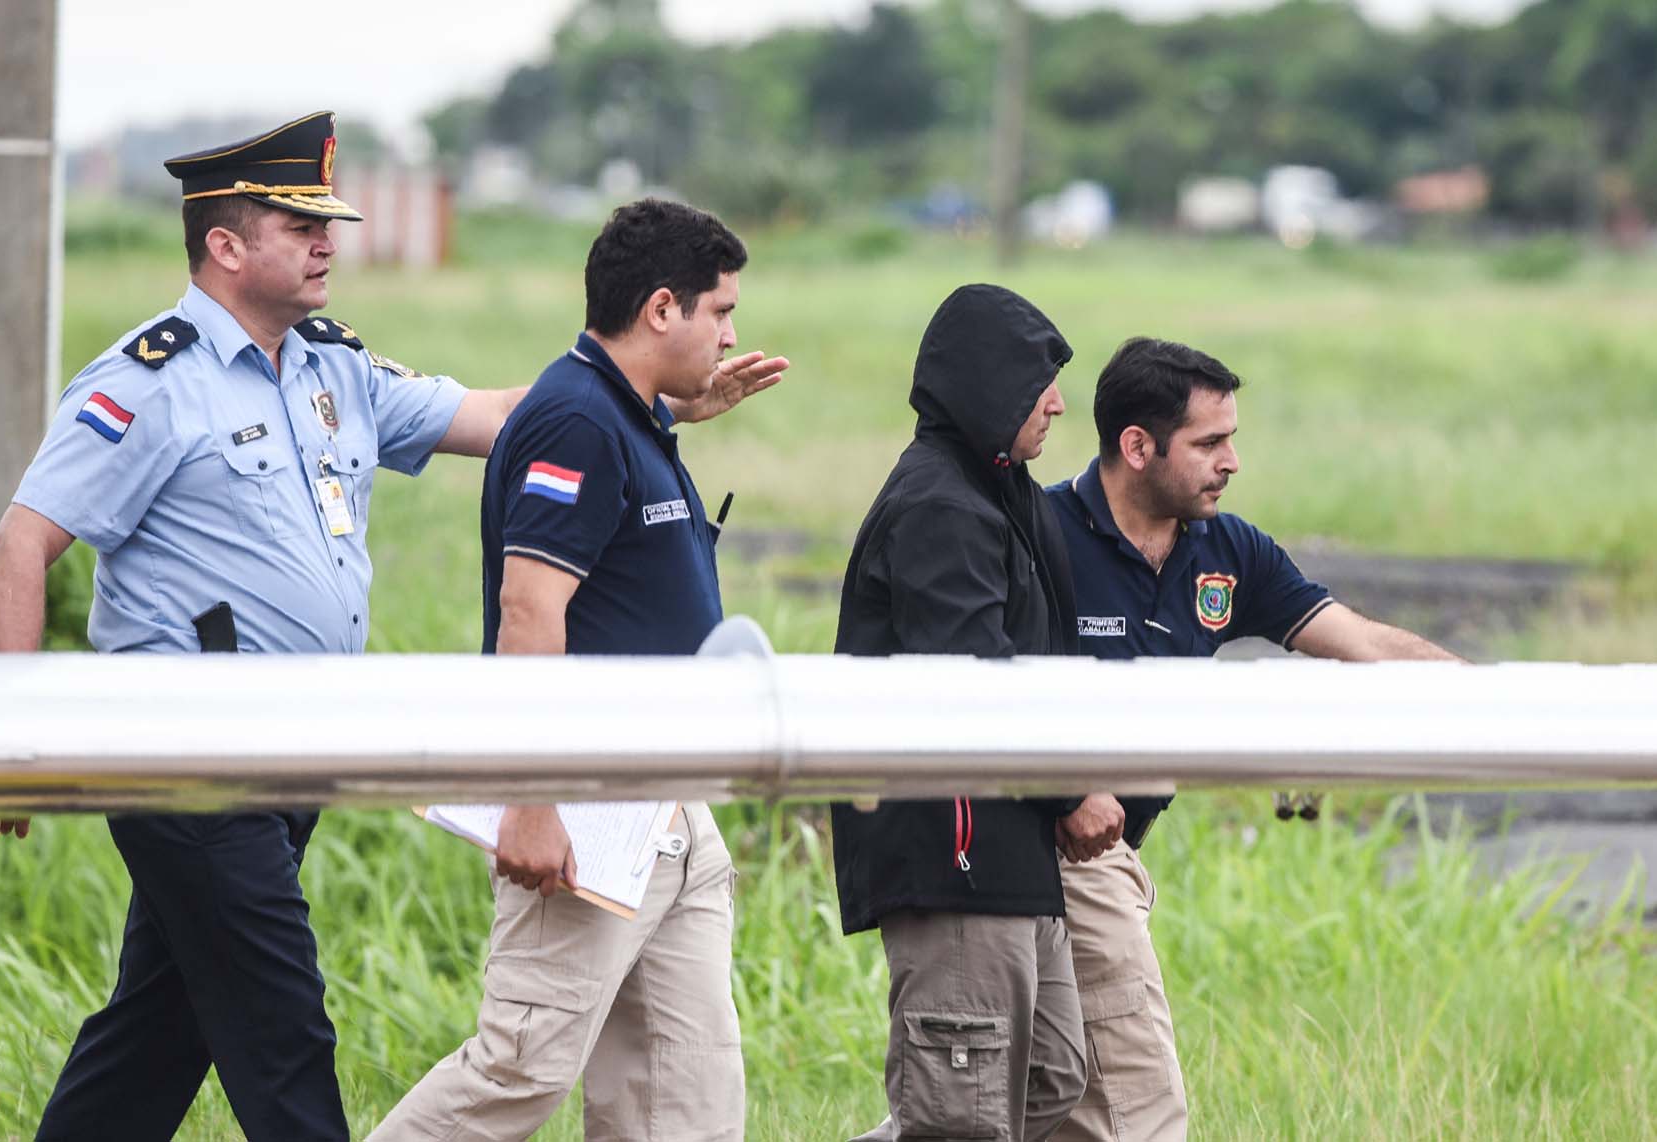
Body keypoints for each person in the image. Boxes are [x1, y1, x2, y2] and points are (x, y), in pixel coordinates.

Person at [0, 115, 782, 1141]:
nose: (328, 243)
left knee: (159, 1028)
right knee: (285, 1029)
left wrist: (656, 392)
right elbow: (17, 546)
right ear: (225, 245)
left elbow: (508, 415)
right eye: (299, 225)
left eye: (329, 224)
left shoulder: (332, 370)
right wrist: (10, 750)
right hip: (187, 750)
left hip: (295, 753)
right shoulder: (148, 381)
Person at [369, 198, 777, 1142]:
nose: (731, 333)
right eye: (721, 311)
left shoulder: (627, 413)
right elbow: (531, 611)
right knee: (519, 1070)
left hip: (669, 810)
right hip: (587, 810)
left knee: (685, 1091)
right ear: (663, 308)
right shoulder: (578, 422)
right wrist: (534, 799)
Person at [1043, 336, 1459, 1142]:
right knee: (1141, 1110)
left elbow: (1364, 643)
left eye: (1231, 438)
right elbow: (980, 674)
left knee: (1009, 1106)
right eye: (1209, 443)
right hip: (1045, 840)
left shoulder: (1227, 549)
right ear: (1137, 446)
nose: (1231, 461)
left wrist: (1500, 698)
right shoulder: (1041, 533)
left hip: (1110, 851)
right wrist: (1069, 784)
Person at [833, 283, 1121, 1142]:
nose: (1060, 403)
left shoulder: (1005, 488)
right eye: (1041, 381)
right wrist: (1069, 791)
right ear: (990, 383)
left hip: (1008, 848)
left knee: (1050, 1076)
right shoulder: (940, 505)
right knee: (960, 1113)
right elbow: (972, 679)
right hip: (951, 846)